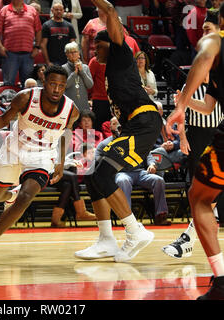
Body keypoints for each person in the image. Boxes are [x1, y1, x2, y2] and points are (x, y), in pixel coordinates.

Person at [74, 0, 162, 263]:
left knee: (101, 174)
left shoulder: (121, 53)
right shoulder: (110, 70)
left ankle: (135, 232)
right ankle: (106, 240)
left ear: (112, 43)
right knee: (92, 173)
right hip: (133, 127)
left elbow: (110, 11)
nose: (94, 49)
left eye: (98, 46)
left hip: (144, 123)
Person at [0, 64, 80, 265]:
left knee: (27, 196)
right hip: (14, 150)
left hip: (42, 155)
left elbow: (66, 133)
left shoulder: (71, 110)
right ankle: (10, 195)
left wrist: (60, 160)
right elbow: (3, 119)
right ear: (44, 83)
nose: (56, 89)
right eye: (52, 84)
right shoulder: (26, 98)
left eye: (61, 86)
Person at [165, 2, 224, 299]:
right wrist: (185, 103)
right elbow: (209, 105)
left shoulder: (215, 40)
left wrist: (178, 106)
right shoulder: (216, 77)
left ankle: (222, 281)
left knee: (199, 198)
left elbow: (203, 55)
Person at [0, 0, 42, 87]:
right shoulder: (4, 10)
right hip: (9, 54)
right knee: (8, 84)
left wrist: (37, 47)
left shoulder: (32, 10)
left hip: (28, 54)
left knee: (28, 84)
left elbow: (38, 30)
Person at [50, 142, 96, 227]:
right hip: (49, 173)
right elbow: (55, 164)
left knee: (68, 186)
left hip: (59, 176)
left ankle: (55, 221)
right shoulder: (47, 148)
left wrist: (72, 162)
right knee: (73, 176)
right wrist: (72, 163)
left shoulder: (58, 148)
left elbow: (63, 161)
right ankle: (81, 212)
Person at [151, 103, 186, 171]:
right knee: (160, 152)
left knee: (186, 151)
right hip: (157, 154)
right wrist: (161, 147)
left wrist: (173, 144)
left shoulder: (171, 125)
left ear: (162, 111)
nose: (157, 112)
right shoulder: (148, 127)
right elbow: (147, 144)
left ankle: (188, 180)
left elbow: (180, 141)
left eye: (159, 110)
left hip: (172, 154)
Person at [40, 2, 76, 66]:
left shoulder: (69, 25)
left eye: (61, 10)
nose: (59, 11)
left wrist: (74, 59)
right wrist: (47, 62)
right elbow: (43, 45)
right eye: (56, 10)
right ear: (52, 10)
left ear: (63, 11)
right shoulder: (46, 25)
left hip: (67, 60)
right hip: (52, 61)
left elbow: (73, 45)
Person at [62, 41, 94, 112]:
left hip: (84, 104)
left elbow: (90, 85)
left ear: (79, 54)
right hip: (69, 105)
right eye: (70, 52)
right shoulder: (63, 68)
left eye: (75, 52)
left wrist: (82, 72)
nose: (73, 54)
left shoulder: (85, 67)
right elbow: (65, 86)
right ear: (66, 55)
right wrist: (75, 73)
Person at [88, 33, 110, 131]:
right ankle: (96, 146)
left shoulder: (115, 60)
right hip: (99, 100)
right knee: (97, 128)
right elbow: (89, 81)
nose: (96, 51)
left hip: (114, 100)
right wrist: (90, 97)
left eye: (99, 47)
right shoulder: (94, 61)